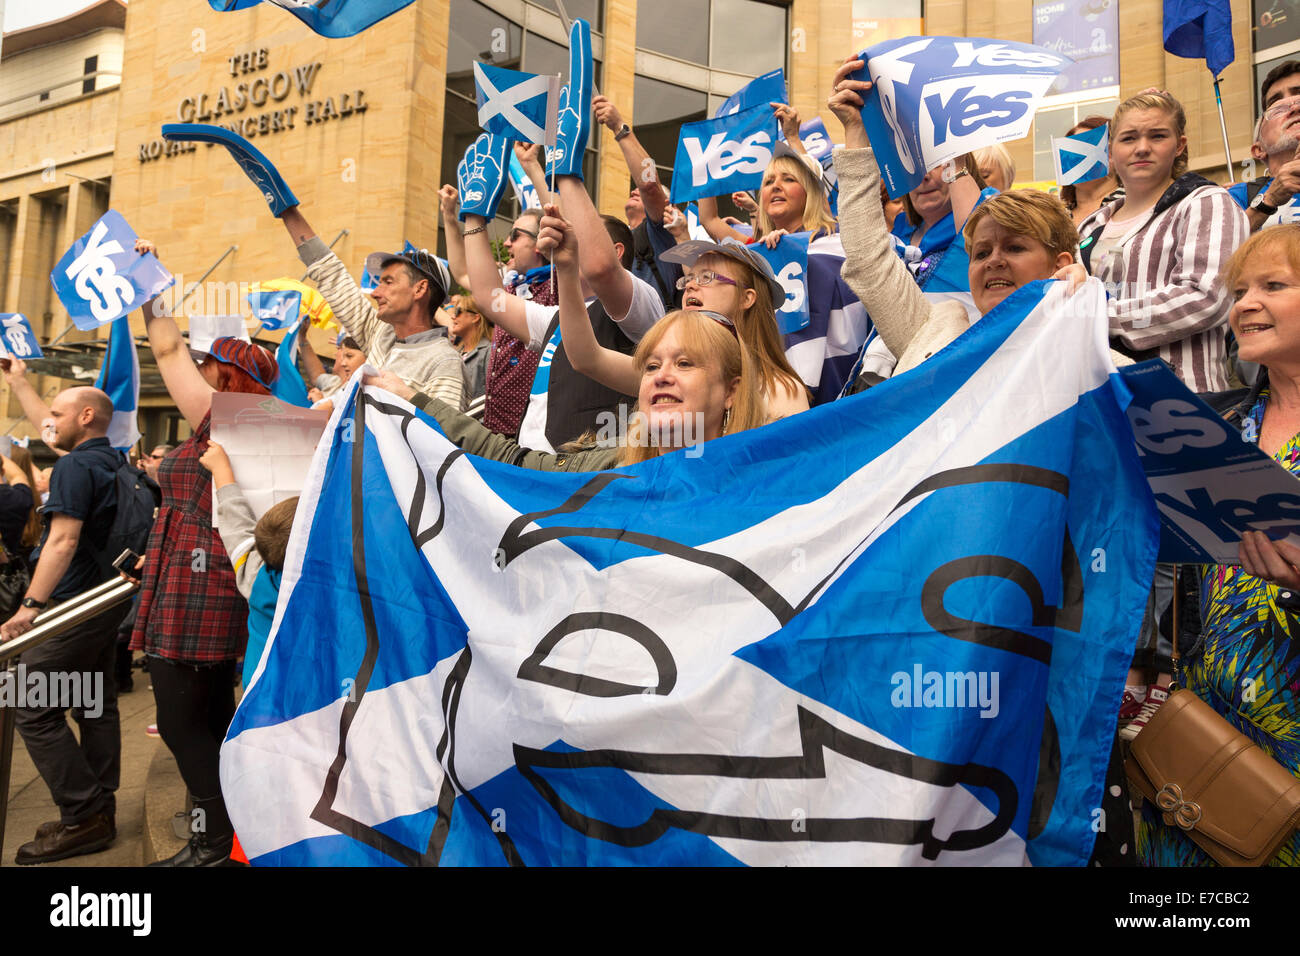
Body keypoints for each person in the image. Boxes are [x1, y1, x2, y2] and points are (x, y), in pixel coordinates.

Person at [1136, 224, 1300, 866]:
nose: (1244, 304)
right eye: (1238, 291)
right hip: (1200, 725)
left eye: (1273, 286)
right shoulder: (1223, 424)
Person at [129, 239, 274, 867]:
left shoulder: (242, 430)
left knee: (189, 732)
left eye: (209, 362)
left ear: (223, 375)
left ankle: (212, 842)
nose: (197, 365)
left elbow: (165, 349)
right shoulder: (239, 424)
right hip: (197, 588)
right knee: (202, 729)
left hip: (203, 597)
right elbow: (164, 344)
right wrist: (146, 282)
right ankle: (212, 837)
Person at [828, 58, 1093, 381]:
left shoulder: (1094, 357)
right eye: (980, 253)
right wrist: (856, 131)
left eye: (1014, 248)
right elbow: (868, 259)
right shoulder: (937, 339)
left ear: (1060, 264)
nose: (994, 260)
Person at [366, 306, 764, 472]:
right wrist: (413, 400)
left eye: (685, 363)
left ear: (731, 391)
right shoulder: (605, 466)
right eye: (652, 365)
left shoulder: (761, 485)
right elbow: (510, 460)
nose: (661, 376)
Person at [458, 143, 665, 454]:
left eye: (578, 236)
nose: (565, 240)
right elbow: (490, 297)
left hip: (592, 471)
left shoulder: (643, 303)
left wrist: (564, 168)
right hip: (532, 464)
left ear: (617, 251)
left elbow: (601, 268)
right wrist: (474, 216)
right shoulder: (554, 316)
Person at [0, 387, 130, 864]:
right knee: (95, 705)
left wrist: (29, 606)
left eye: (57, 414)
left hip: (72, 605)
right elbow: (53, 435)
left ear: (87, 416)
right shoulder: (114, 460)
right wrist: (18, 380)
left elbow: (62, 539)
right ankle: (98, 811)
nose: (49, 423)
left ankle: (83, 813)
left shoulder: (76, 466)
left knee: (30, 704)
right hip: (101, 603)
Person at [545, 204, 807, 420]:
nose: (690, 284)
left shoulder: (780, 388)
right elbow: (586, 359)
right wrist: (567, 269)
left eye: (706, 277)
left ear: (747, 298)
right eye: (688, 278)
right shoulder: (669, 372)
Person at [1078, 90, 1249, 393]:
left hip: (1184, 396)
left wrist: (1100, 318)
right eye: (1128, 138)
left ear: (1179, 145)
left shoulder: (1206, 202)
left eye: (1157, 136)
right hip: (1104, 395)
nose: (1142, 148)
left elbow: (1207, 298)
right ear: (1110, 152)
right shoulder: (1092, 223)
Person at [277, 204, 466, 409]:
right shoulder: (380, 333)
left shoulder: (445, 362)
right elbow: (331, 274)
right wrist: (287, 209)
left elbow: (445, 435)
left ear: (420, 290)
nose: (375, 293)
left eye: (388, 282)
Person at [442, 185, 545, 438]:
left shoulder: (563, 286)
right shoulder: (507, 284)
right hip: (494, 431)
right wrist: (449, 214)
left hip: (532, 434)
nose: (507, 242)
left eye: (516, 234)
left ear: (541, 243)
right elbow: (463, 272)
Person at [198, 439, 296, 690]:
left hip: (261, 701)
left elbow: (236, 524)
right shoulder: (343, 587)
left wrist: (222, 471)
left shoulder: (256, 576)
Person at [1229, 61, 1300, 232]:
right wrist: (1268, 200)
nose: (1295, 107)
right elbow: (1215, 253)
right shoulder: (1237, 197)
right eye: (1277, 108)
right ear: (1259, 149)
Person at [1060, 116, 1124, 228]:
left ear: (1112, 154)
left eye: (1086, 148)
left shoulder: (1135, 204)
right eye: (1071, 150)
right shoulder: (1055, 216)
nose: (1076, 157)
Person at [447, 294, 492, 417]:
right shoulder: (454, 354)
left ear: (475, 317)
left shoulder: (489, 352)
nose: (452, 316)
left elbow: (491, 399)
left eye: (458, 311)